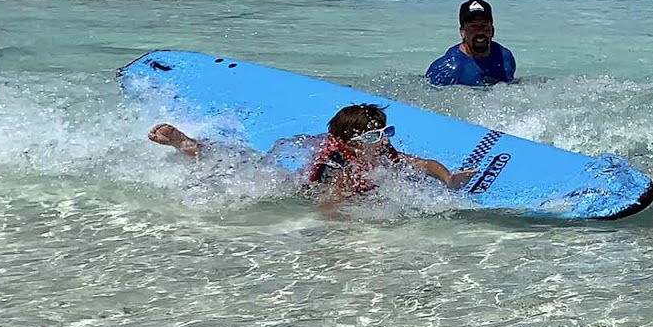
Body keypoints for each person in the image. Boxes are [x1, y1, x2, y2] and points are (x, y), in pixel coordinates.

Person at [148, 104, 475, 211]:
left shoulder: (378, 148)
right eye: (374, 136)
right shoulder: (341, 168)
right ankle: (188, 146)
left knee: (244, 161)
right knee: (238, 168)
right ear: (354, 144)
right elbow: (328, 208)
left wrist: (448, 178)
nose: (383, 141)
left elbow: (422, 164)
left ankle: (192, 146)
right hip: (294, 188)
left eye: (385, 132)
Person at [426, 0, 516, 87]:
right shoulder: (447, 68)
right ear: (462, 32)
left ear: (492, 30)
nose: (480, 31)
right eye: (473, 27)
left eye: (484, 26)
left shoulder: (504, 57)